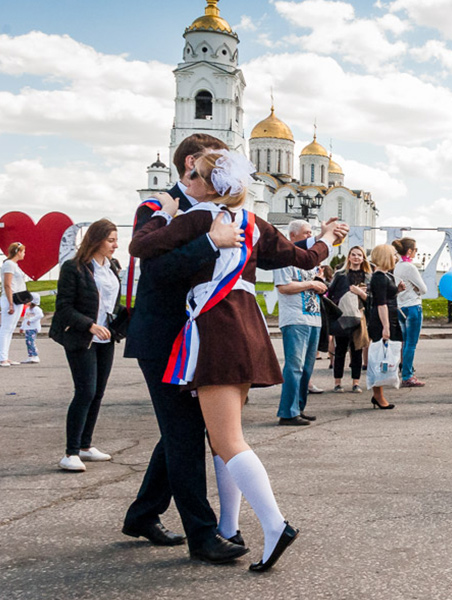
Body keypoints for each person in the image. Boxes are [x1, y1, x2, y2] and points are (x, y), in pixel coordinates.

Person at [128, 148, 345, 572]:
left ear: (206, 181)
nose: (188, 181)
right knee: (212, 435)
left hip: (215, 328)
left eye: (194, 175)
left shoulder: (197, 216)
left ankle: (273, 525)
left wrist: (169, 217)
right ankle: (224, 526)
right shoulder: (252, 221)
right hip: (247, 325)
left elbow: (140, 247)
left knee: (224, 440)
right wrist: (326, 240)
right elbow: (302, 258)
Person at [121, 133, 248, 564]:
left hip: (195, 336)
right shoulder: (157, 206)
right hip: (162, 335)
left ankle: (143, 514)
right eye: (217, 161)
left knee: (182, 431)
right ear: (193, 162)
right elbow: (155, 270)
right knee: (185, 434)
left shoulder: (218, 209)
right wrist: (210, 242)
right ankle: (203, 535)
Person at [50, 220, 122, 472]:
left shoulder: (112, 266)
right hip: (82, 338)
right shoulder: (74, 268)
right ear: (96, 240)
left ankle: (85, 446)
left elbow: (111, 303)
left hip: (106, 339)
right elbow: (63, 307)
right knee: (85, 392)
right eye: (111, 240)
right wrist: (89, 325)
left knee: (98, 393)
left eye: (116, 240)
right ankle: (70, 453)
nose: (116, 245)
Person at [274, 220, 325, 426]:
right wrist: (311, 283)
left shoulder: (308, 260)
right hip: (295, 318)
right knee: (294, 366)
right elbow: (283, 287)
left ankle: (299, 407)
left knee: (307, 368)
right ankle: (288, 412)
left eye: (311, 232)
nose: (309, 236)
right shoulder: (284, 258)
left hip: (313, 317)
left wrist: (318, 281)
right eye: (306, 233)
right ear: (293, 236)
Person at [328, 246, 371, 393]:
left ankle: (356, 382)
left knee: (357, 349)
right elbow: (331, 294)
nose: (356, 257)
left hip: (360, 317)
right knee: (340, 350)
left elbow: (372, 299)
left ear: (363, 258)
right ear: (349, 257)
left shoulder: (368, 277)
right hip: (343, 317)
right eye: (353, 254)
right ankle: (337, 383)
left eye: (359, 255)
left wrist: (360, 293)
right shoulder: (340, 275)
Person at [366, 244, 400, 410]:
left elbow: (387, 296)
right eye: (393, 254)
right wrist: (386, 327)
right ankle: (377, 395)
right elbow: (381, 303)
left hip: (389, 316)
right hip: (381, 319)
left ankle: (378, 394)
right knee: (379, 357)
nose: (396, 257)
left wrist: (397, 290)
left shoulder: (386, 275)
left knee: (384, 355)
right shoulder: (379, 277)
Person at [392, 237, 428, 388]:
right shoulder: (410, 267)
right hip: (413, 306)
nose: (416, 252)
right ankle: (407, 375)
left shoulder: (397, 266)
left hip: (401, 306)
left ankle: (406, 371)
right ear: (409, 251)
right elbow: (424, 289)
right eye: (415, 250)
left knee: (405, 342)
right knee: (411, 343)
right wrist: (416, 289)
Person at [0, 242, 29, 367]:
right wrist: (10, 303)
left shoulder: (14, 265)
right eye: (23, 252)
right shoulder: (9, 264)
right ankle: (2, 357)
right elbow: (8, 284)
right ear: (18, 252)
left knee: (10, 329)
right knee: (6, 328)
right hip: (11, 299)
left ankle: (5, 356)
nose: (24, 254)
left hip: (18, 299)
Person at [20, 294, 43, 364]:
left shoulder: (36, 309)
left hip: (33, 327)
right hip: (28, 328)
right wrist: (22, 327)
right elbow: (25, 318)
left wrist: (31, 320)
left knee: (30, 341)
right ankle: (30, 356)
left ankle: (35, 355)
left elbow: (40, 315)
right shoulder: (28, 309)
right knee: (28, 342)